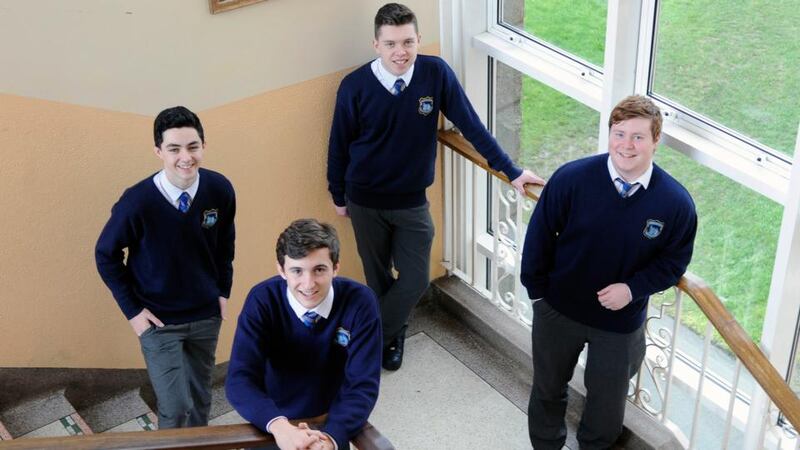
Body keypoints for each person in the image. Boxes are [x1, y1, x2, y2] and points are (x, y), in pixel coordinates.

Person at [327, 2, 544, 371]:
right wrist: (337, 194)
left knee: (414, 279)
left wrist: (510, 170)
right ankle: (391, 339)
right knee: (377, 277)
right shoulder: (354, 86)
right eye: (392, 43)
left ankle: (362, 340)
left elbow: (472, 126)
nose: (401, 52)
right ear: (376, 44)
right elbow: (338, 145)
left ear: (418, 40)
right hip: (363, 199)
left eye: (408, 42)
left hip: (411, 202)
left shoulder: (435, 74)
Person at [521, 95, 697, 449]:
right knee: (547, 389)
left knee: (607, 404)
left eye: (637, 137)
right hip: (558, 311)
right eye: (619, 134)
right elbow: (539, 237)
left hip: (620, 324)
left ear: (655, 141)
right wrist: (539, 295)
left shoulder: (676, 203)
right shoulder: (572, 179)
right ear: (609, 134)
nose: (626, 145)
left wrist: (632, 290)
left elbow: (673, 263)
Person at [95, 106, 236, 429]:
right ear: (158, 151)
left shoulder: (219, 189)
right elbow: (106, 254)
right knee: (175, 407)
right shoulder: (137, 202)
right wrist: (133, 312)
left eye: (193, 146)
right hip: (158, 321)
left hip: (205, 316)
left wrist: (222, 292)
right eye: (174, 149)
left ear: (203, 146)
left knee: (201, 400)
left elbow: (225, 246)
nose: (185, 157)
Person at [226, 219, 382, 450]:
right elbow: (240, 379)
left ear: (336, 267)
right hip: (273, 422)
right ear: (281, 270)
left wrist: (331, 438)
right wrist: (280, 427)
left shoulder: (360, 302)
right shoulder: (262, 300)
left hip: (331, 422)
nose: (308, 284)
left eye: (319, 269)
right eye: (297, 271)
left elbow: (362, 384)